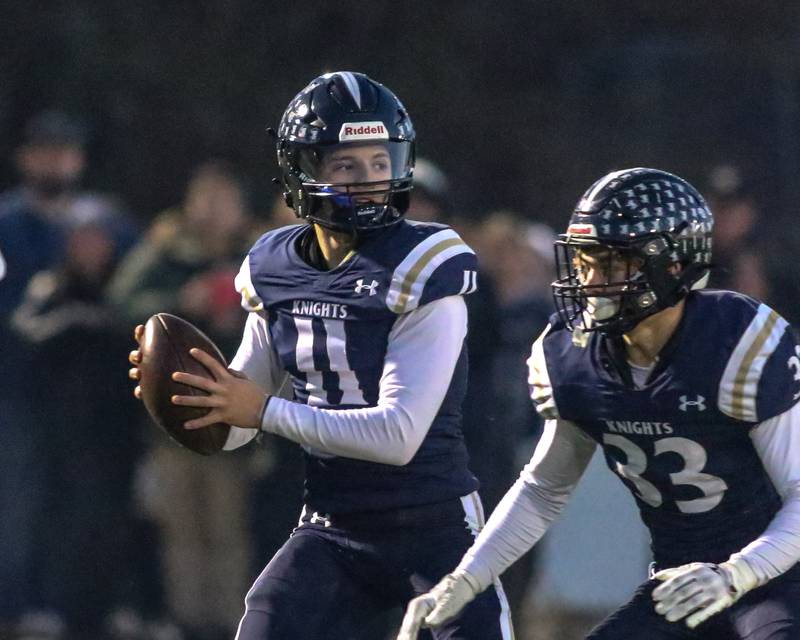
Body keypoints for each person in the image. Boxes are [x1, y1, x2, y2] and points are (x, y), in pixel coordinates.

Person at [128, 71, 513, 640]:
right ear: (301, 170)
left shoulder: (425, 263)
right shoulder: (273, 265)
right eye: (345, 166)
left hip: (433, 529)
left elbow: (398, 435)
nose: (367, 182)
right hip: (333, 527)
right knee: (263, 624)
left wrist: (260, 411)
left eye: (380, 164)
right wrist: (193, 396)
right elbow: (236, 423)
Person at [397, 167, 800, 640]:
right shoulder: (573, 355)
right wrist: (466, 579)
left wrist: (737, 574)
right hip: (678, 580)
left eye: (612, 263)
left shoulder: (737, 342)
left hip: (779, 575)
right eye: (585, 261)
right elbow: (544, 488)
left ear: (673, 265)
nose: (591, 280)